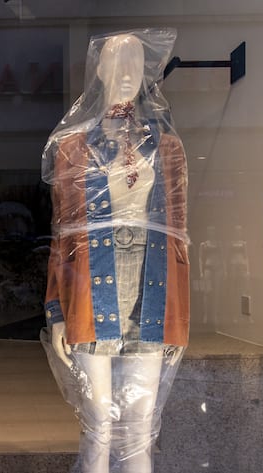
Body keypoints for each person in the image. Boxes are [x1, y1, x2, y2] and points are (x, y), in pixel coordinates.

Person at [42, 29, 189, 473]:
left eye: (135, 63)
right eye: (115, 63)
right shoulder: (73, 148)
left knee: (141, 428)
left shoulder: (168, 149)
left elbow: (179, 239)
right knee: (99, 428)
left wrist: (179, 319)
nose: (126, 73)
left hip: (151, 293)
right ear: (100, 71)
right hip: (91, 293)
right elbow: (62, 236)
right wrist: (55, 312)